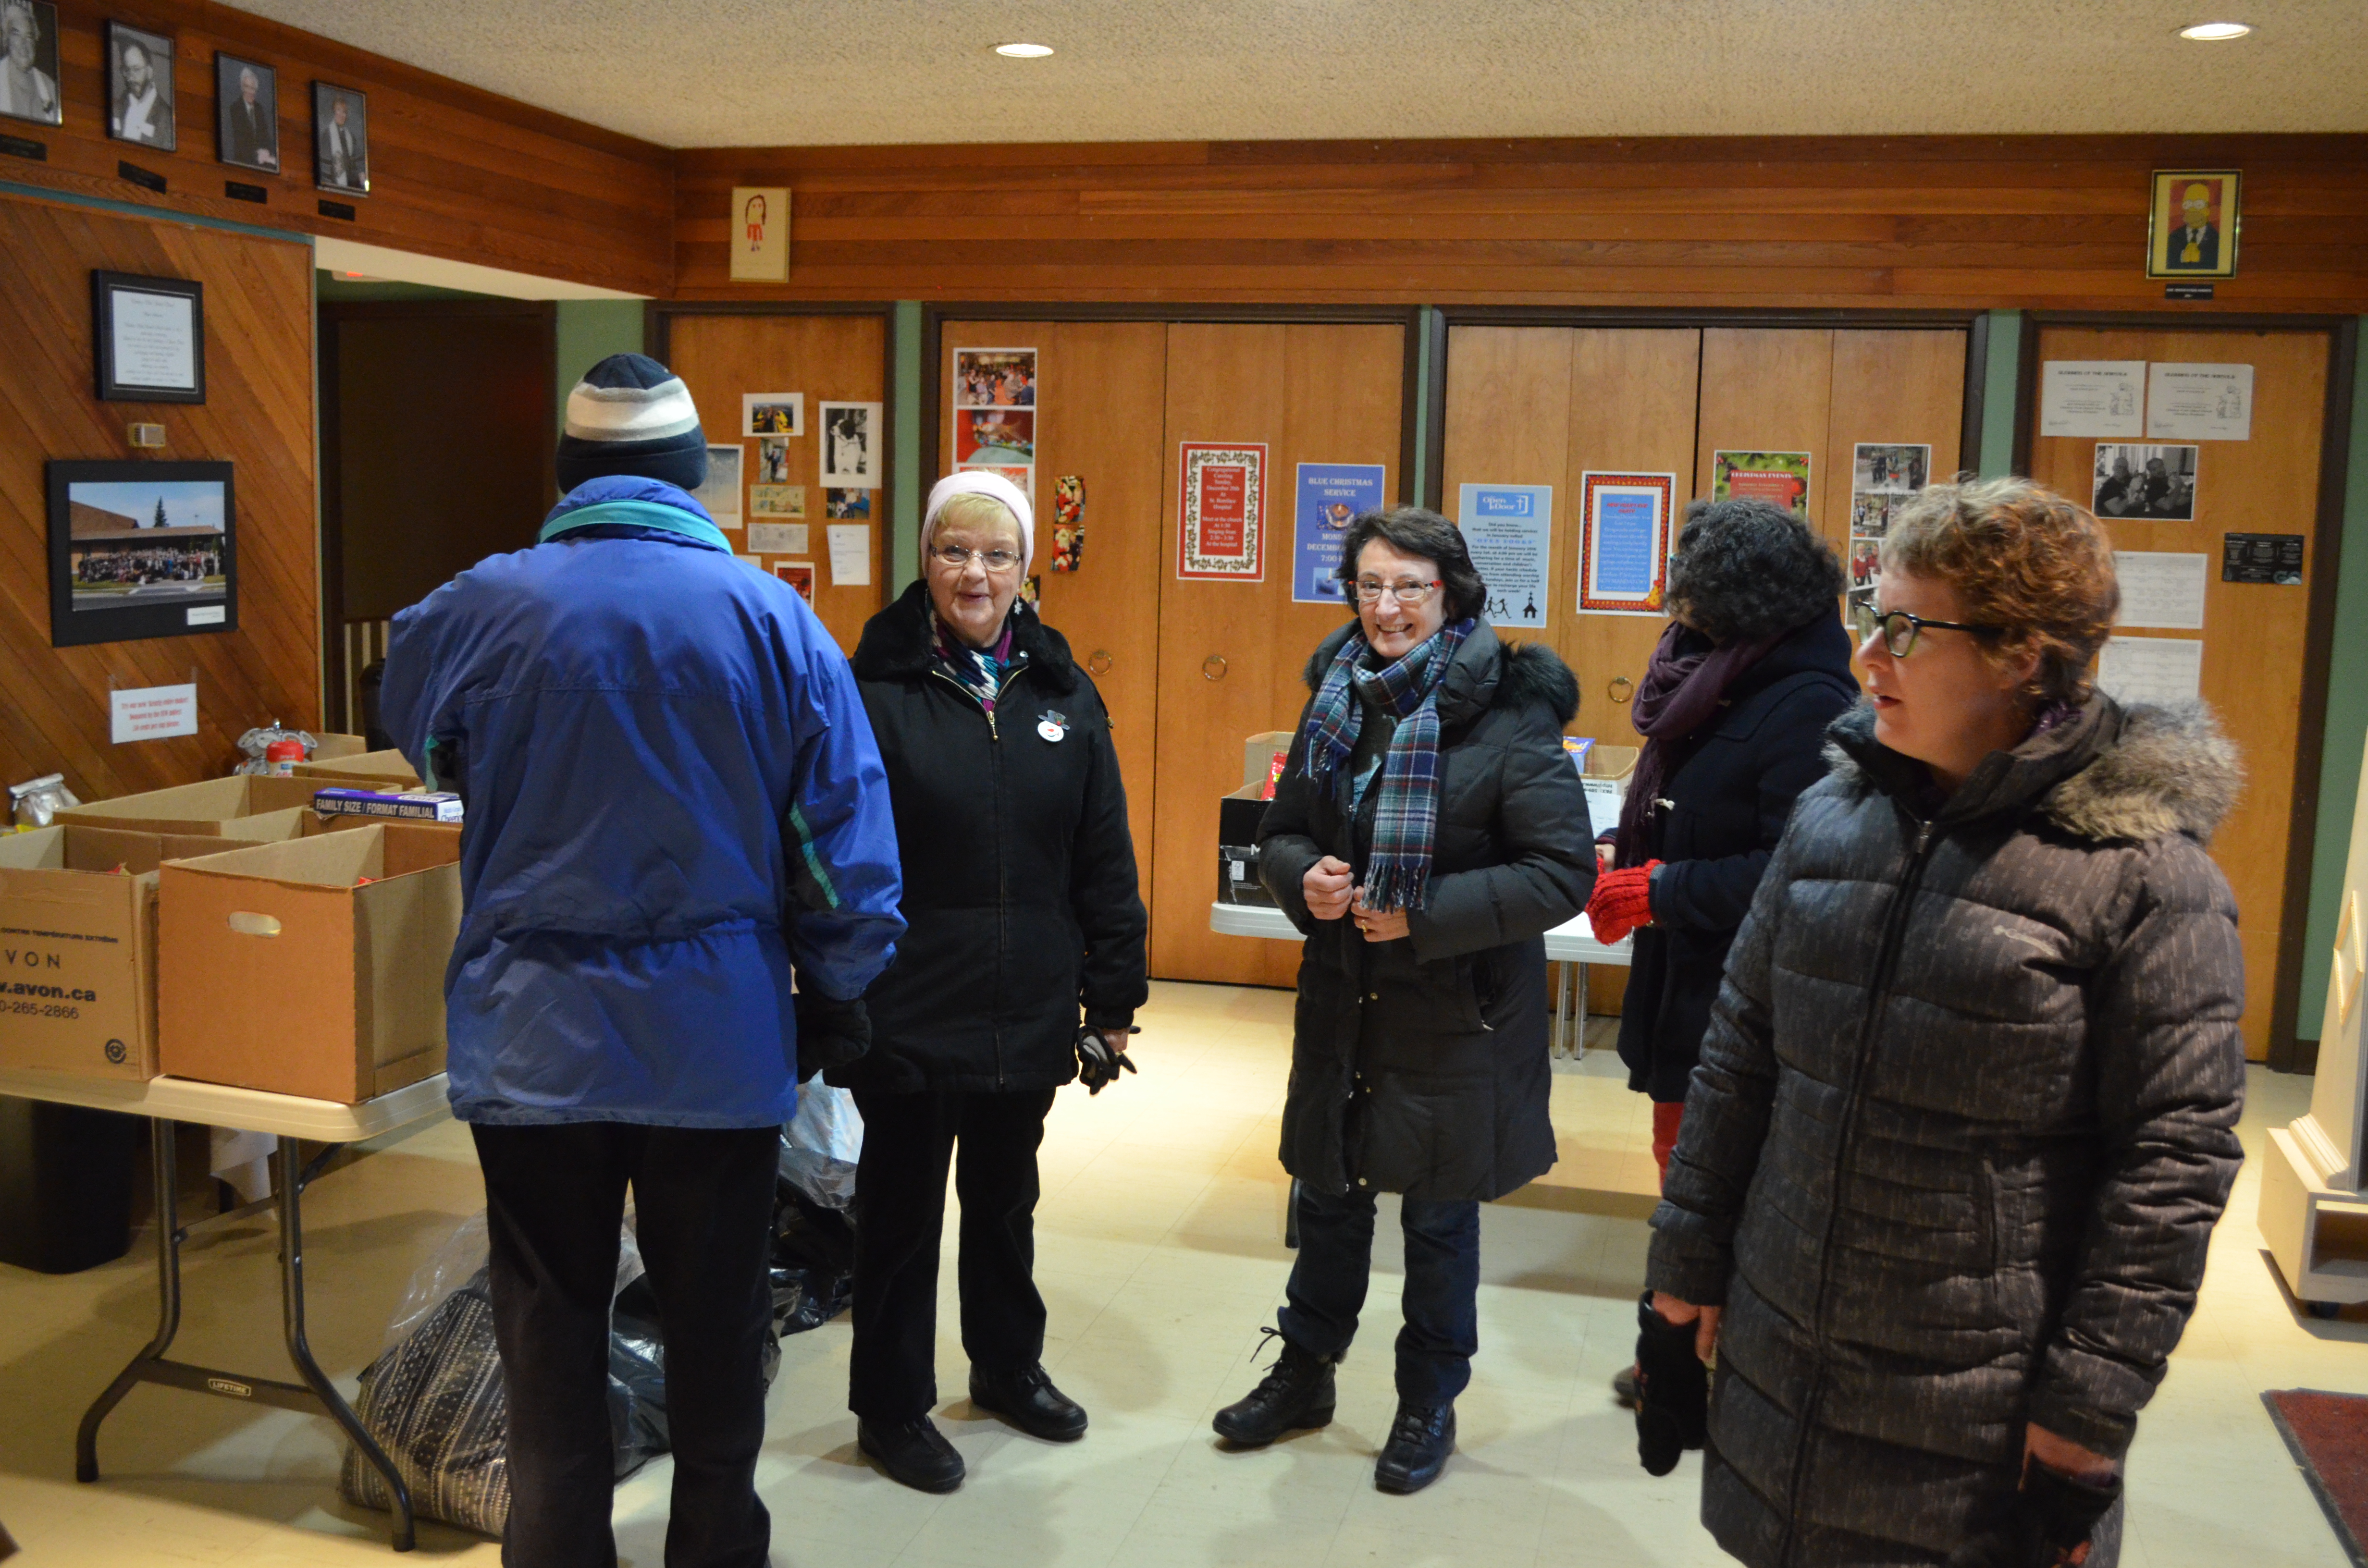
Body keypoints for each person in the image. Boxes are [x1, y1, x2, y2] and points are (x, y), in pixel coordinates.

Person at [1642, 477, 2246, 1568]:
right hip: (1782, 1364)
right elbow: (1739, 1054)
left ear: (2024, 654)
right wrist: (1681, 1281)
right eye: (1875, 615)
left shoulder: (2147, 877)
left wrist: (2084, 1421)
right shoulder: (1836, 813)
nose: (1870, 656)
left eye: (1907, 628)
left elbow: (2172, 1164)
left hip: (1977, 1421)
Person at [381, 353, 906, 1568]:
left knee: (547, 1327)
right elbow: (842, 848)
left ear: (572, 474)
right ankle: (715, 1544)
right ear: (688, 475)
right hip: (711, 1045)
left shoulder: (475, 605)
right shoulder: (771, 617)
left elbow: (422, 732)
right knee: (716, 1323)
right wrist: (837, 985)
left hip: (530, 1037)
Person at [1215, 506, 1594, 1495]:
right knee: (1329, 1194)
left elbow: (1561, 873)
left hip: (1454, 1014)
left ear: (1451, 595)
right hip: (1346, 1001)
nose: (1386, 608)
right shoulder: (1335, 695)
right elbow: (1283, 827)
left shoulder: (1511, 715)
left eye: (1409, 588)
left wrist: (1419, 914)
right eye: (1370, 586)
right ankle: (1304, 1372)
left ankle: (1428, 1397)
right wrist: (1307, 880)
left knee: (1436, 1217)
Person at [838, 469, 1148, 1494]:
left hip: (1026, 1002)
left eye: (997, 555)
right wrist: (831, 991)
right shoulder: (871, 687)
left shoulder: (1064, 691)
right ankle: (890, 1407)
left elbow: (1103, 856)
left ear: (1026, 570)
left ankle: (1008, 1368)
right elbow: (830, 852)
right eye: (953, 552)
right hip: (907, 1002)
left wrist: (1113, 1003)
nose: (975, 573)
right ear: (925, 561)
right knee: (899, 1215)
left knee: (1005, 1201)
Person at [1586, 499, 1856, 1410]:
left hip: (1741, 991)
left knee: (1720, 1177)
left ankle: (1716, 1355)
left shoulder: (1807, 700)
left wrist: (1658, 886)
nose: (1676, 595)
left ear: (1743, 600)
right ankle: (1683, 1337)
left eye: (1693, 581)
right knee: (1683, 1167)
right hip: (1684, 977)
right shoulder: (1722, 675)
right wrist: (1629, 861)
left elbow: (1798, 869)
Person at [0, 0, 58, 125]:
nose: (24, 45)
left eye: (29, 37)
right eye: (17, 35)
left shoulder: (49, 88)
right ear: (6, 40)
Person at [110, 36, 172, 147]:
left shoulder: (167, 118)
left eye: (136, 69)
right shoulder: (116, 108)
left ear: (150, 71)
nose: (130, 77)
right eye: (126, 70)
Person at [223, 65, 276, 169]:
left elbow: (265, 135)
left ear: (256, 90)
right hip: (242, 161)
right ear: (242, 88)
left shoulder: (259, 109)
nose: (250, 92)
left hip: (261, 163)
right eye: (247, 87)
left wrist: (267, 152)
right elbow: (236, 140)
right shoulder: (235, 109)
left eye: (252, 88)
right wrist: (257, 154)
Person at [319, 92, 361, 188]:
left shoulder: (350, 137)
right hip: (333, 184)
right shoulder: (327, 135)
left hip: (350, 185)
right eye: (339, 110)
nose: (342, 115)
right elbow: (325, 166)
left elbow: (353, 164)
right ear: (334, 112)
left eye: (344, 112)